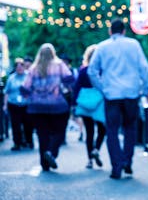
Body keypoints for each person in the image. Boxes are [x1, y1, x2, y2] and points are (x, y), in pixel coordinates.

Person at [88, 18, 148, 179]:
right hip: (131, 94)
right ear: (124, 30)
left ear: (110, 31)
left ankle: (116, 167)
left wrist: (103, 88)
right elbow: (145, 69)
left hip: (112, 95)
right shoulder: (134, 45)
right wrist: (144, 90)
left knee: (112, 131)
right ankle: (127, 162)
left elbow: (92, 71)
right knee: (130, 129)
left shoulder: (102, 47)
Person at [22, 43, 75, 171]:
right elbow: (69, 79)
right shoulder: (59, 65)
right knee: (59, 132)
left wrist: (31, 96)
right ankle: (51, 152)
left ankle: (44, 164)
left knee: (42, 135)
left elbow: (25, 88)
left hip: (37, 107)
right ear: (53, 53)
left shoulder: (33, 68)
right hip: (56, 105)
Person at [73, 44, 106, 169]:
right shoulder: (102, 70)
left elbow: (77, 87)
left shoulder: (83, 71)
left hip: (86, 103)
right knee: (102, 129)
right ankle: (96, 149)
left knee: (89, 131)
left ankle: (89, 160)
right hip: (99, 103)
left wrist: (75, 102)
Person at [3, 58, 33, 150]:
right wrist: (5, 105)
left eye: (21, 66)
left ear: (24, 67)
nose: (19, 68)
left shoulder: (28, 76)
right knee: (16, 125)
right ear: (15, 68)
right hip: (14, 104)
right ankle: (17, 143)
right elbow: (6, 92)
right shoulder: (11, 78)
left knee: (28, 124)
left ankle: (29, 141)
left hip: (26, 104)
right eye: (17, 66)